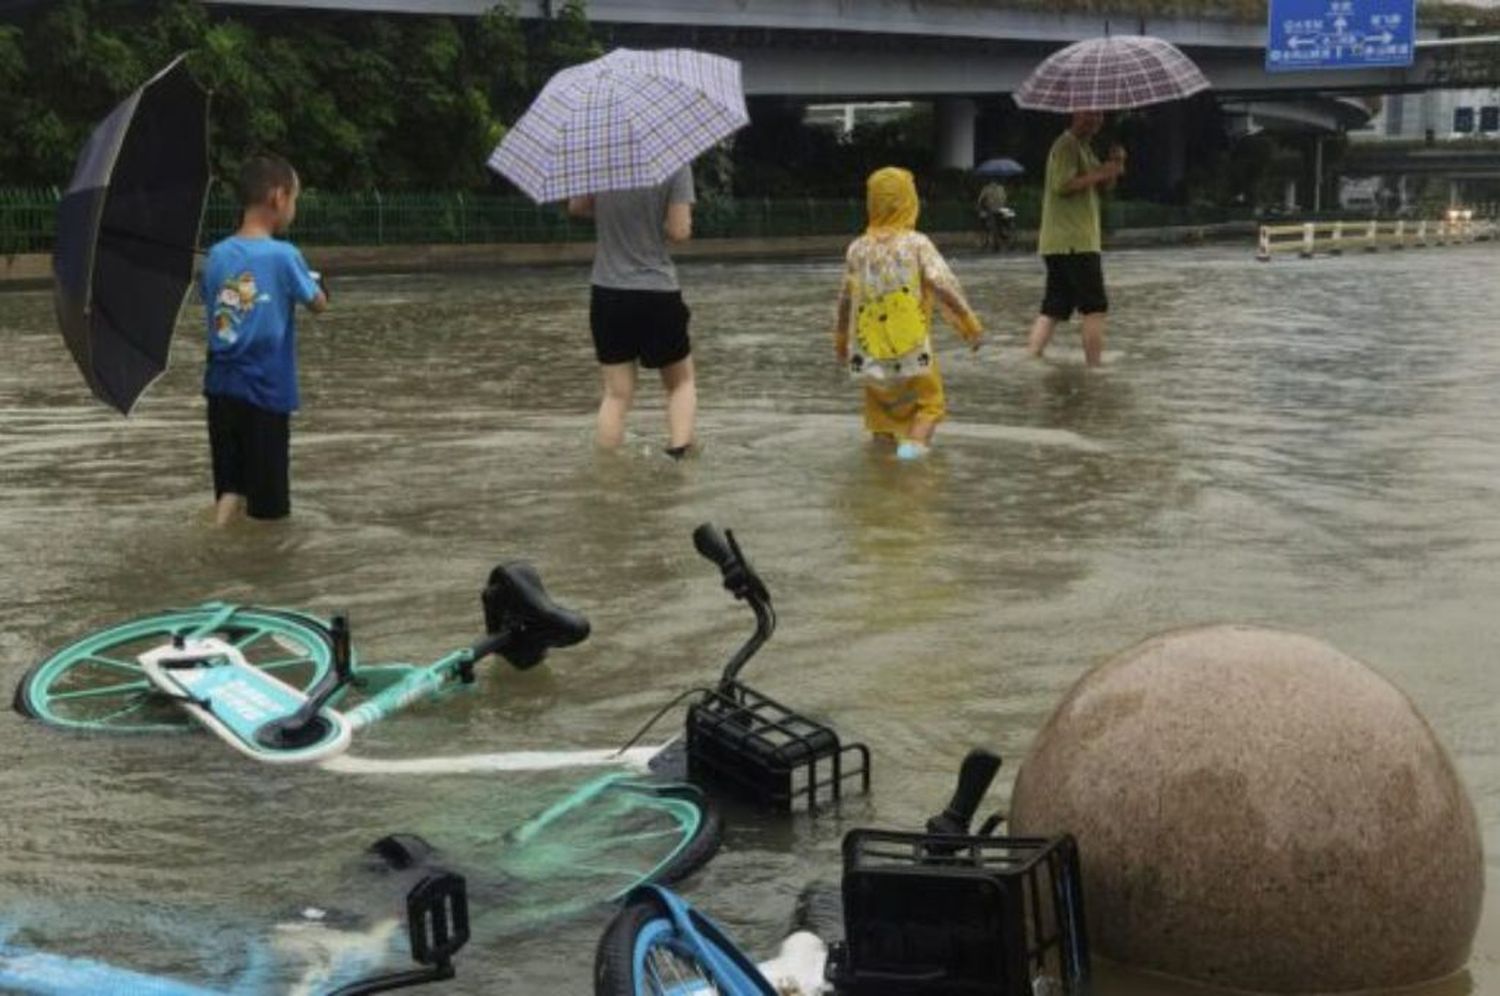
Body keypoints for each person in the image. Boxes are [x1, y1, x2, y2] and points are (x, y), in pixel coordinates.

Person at [201, 153, 327, 526]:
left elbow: (219, 307)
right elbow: (318, 304)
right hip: (267, 394)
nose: (294, 208)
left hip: (221, 389)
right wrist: (319, 283)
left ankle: (218, 537)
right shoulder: (285, 256)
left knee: (230, 490)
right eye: (295, 199)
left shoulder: (217, 256)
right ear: (277, 197)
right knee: (270, 510)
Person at [834, 167, 984, 460]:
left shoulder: (857, 249)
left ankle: (881, 480)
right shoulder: (917, 244)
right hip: (911, 350)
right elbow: (943, 285)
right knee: (928, 406)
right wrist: (969, 326)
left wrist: (840, 342)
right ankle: (908, 464)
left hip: (868, 352)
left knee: (882, 416)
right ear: (909, 201)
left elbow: (844, 301)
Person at [567, 166, 696, 458]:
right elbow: (679, 231)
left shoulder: (598, 156)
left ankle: (609, 476)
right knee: (680, 383)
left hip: (607, 292)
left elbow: (576, 207)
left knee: (616, 394)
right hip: (657, 291)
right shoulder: (675, 162)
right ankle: (679, 461)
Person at [1026, 111, 1124, 367]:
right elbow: (1063, 185)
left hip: (1062, 242)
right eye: (1089, 115)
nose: (1096, 120)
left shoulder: (1084, 148)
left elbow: (1102, 188)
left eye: (1100, 115)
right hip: (1075, 241)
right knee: (1095, 308)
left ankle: (1031, 359)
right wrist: (1102, 172)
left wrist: (1113, 166)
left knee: (1054, 307)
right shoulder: (1066, 145)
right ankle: (1094, 369)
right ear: (1076, 115)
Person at [976, 179, 1010, 250]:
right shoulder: (1001, 188)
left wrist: (980, 206)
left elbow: (980, 199)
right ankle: (1003, 233)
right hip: (1002, 209)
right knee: (1002, 222)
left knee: (989, 224)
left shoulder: (986, 189)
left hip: (991, 210)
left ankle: (990, 240)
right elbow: (1005, 199)